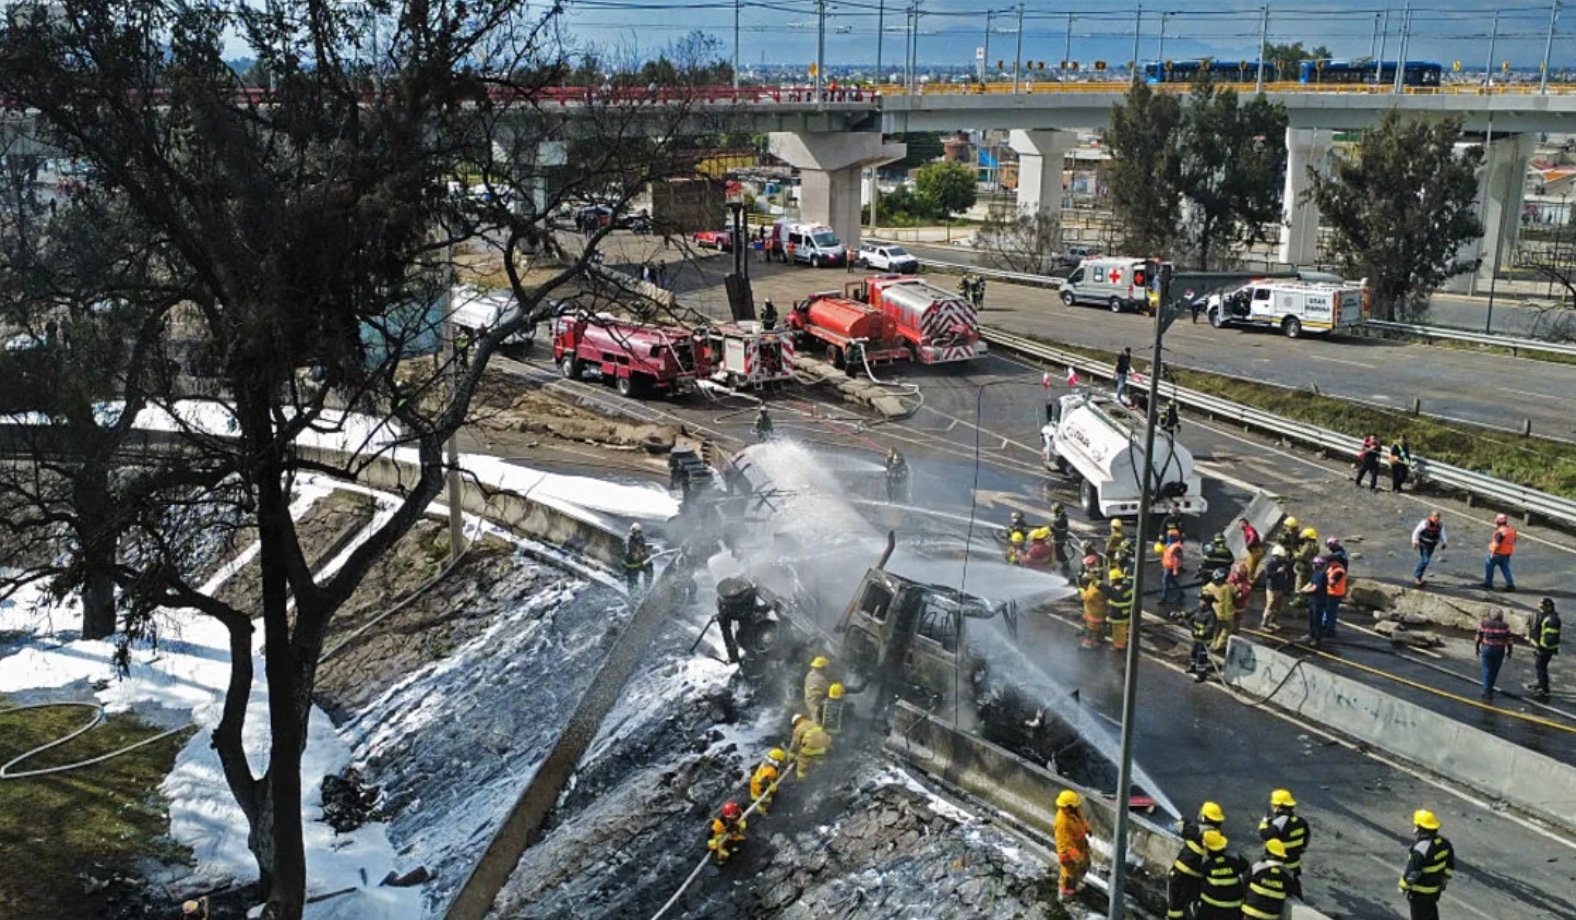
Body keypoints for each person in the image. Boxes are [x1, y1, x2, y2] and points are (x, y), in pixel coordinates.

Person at [1398, 809, 1455, 920]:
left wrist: (1403, 886)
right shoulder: (1444, 843)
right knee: (1431, 913)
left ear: (1420, 828)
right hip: (1435, 890)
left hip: (1419, 892)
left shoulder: (1420, 849)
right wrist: (1445, 878)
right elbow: (1449, 865)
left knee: (1419, 916)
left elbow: (1413, 872)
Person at [1258, 789, 1310, 880]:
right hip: (1295, 865)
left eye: (1274, 805)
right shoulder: (1301, 821)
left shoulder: (1279, 823)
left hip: (1279, 866)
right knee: (1294, 888)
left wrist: (1264, 824)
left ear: (1279, 807)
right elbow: (1306, 839)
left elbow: (1265, 835)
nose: (1273, 807)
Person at [1242, 838, 1300, 920]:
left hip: (1251, 913)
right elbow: (1292, 891)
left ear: (1267, 852)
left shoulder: (1257, 867)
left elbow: (1244, 880)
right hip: (1271, 916)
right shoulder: (1288, 874)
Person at [1195, 829, 1246, 919]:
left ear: (1206, 847)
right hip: (1234, 908)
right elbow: (1245, 867)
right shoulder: (1235, 858)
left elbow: (1198, 879)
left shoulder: (1206, 862)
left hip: (1210, 907)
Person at [1053, 789, 1092, 900]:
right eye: (1076, 805)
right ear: (1068, 806)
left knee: (1085, 866)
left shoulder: (1074, 811)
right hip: (1069, 855)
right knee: (1069, 876)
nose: (1078, 806)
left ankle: (1076, 883)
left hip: (1080, 848)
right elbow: (1066, 844)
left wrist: (1087, 828)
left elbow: (1082, 819)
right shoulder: (1062, 822)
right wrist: (1077, 857)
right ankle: (1066, 895)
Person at [1474, 608, 1513, 700]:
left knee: (1486, 669)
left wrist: (1476, 649)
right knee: (1495, 670)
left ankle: (1486, 691)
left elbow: (1478, 637)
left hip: (1487, 648)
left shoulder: (1484, 624)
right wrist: (1510, 652)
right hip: (1499, 650)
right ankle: (1489, 688)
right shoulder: (1505, 626)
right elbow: (1510, 640)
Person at [1527, 597, 1561, 700]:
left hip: (1545, 649)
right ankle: (1540, 683)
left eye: (1543, 608)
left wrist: (1541, 649)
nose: (1541, 609)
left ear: (1549, 607)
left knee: (1541, 667)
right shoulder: (1545, 616)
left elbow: (1550, 638)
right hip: (1541, 648)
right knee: (1539, 666)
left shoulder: (1552, 620)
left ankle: (1544, 690)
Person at [1201, 569, 1237, 653]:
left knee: (1216, 630)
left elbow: (1203, 593)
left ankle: (1213, 644)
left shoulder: (1209, 586)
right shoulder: (1228, 587)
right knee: (1226, 630)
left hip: (1215, 614)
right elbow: (1237, 593)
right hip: (1227, 615)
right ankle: (1219, 645)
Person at [1480, 513, 1517, 592]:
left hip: (1497, 554)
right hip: (1506, 554)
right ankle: (1510, 584)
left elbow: (1497, 543)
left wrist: (1492, 553)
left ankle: (1488, 583)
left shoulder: (1500, 532)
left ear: (1498, 522)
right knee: (1506, 569)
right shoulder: (1512, 531)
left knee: (1489, 566)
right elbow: (1513, 541)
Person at [1411, 511, 1448, 588]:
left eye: (1438, 516)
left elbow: (1442, 534)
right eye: (1435, 516)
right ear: (1431, 516)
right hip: (1424, 544)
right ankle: (1417, 577)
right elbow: (1416, 532)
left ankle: (1419, 577)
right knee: (1425, 560)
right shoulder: (1425, 523)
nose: (1436, 518)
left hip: (1432, 546)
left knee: (1424, 561)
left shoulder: (1440, 525)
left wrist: (1444, 542)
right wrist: (1415, 542)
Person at [788, 712, 830, 778]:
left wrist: (791, 758)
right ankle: (820, 768)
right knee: (818, 756)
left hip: (811, 748)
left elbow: (794, 746)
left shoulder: (798, 729)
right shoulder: (813, 723)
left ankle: (801, 779)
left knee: (802, 760)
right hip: (824, 747)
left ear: (795, 723)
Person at [1299, 557, 1329, 647]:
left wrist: (1305, 591)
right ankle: (1311, 634)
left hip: (1318, 601)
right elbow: (1310, 584)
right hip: (1312, 600)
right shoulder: (1315, 574)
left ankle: (1317, 639)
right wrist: (1302, 589)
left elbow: (1315, 588)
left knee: (1317, 620)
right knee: (1311, 619)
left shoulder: (1322, 575)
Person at [1186, 595, 1216, 682]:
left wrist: (1202, 632)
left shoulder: (1211, 614)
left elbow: (1210, 627)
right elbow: (1189, 613)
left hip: (1204, 640)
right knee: (1193, 653)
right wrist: (1180, 614)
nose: (1200, 602)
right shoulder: (1198, 608)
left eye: (1202, 601)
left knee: (1201, 657)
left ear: (1207, 603)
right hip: (1196, 638)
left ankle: (1201, 675)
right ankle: (1193, 667)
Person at [1262, 545, 1291, 632]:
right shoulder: (1270, 563)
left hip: (1280, 587)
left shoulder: (1282, 563)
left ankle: (1273, 622)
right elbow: (1267, 575)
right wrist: (1277, 572)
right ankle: (1264, 624)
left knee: (1277, 607)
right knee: (1270, 606)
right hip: (1272, 588)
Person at [1321, 548, 1349, 639]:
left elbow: (1332, 582)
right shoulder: (1331, 568)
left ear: (1334, 562)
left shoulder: (1339, 571)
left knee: (1331, 612)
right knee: (1326, 611)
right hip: (1328, 593)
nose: (1327, 564)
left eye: (1329, 563)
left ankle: (1330, 630)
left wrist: (1323, 580)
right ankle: (1325, 626)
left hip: (1335, 594)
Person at [749, 748, 786, 815]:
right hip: (759, 790)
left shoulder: (765, 764)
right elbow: (763, 780)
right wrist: (771, 786)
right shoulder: (771, 771)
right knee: (767, 801)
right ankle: (761, 809)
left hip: (754, 785)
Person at [1106, 570, 1134, 652]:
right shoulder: (1128, 587)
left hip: (1118, 615)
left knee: (1118, 632)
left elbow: (1115, 599)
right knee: (1123, 630)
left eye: (1111, 580)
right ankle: (1123, 642)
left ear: (1114, 580)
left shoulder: (1115, 591)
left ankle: (1119, 646)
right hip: (1126, 613)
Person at [1080, 577, 1109, 649]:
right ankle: (1100, 639)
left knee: (1090, 629)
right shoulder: (1101, 589)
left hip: (1093, 615)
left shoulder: (1092, 592)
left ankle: (1088, 643)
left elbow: (1085, 597)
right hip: (1101, 613)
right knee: (1100, 627)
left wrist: (1082, 591)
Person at [1160, 534, 1185, 607]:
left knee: (1165, 581)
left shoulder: (1176, 547)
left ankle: (1164, 598)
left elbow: (1176, 559)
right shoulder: (1170, 545)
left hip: (1170, 567)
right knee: (1171, 580)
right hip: (1167, 566)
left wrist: (1175, 570)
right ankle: (1181, 593)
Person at [1050, 504, 1071, 571]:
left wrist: (1051, 528)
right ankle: (1064, 563)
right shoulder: (1063, 517)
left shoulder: (1058, 520)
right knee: (1058, 551)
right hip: (1061, 538)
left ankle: (1065, 564)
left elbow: (1053, 529)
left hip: (1058, 539)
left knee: (1058, 552)